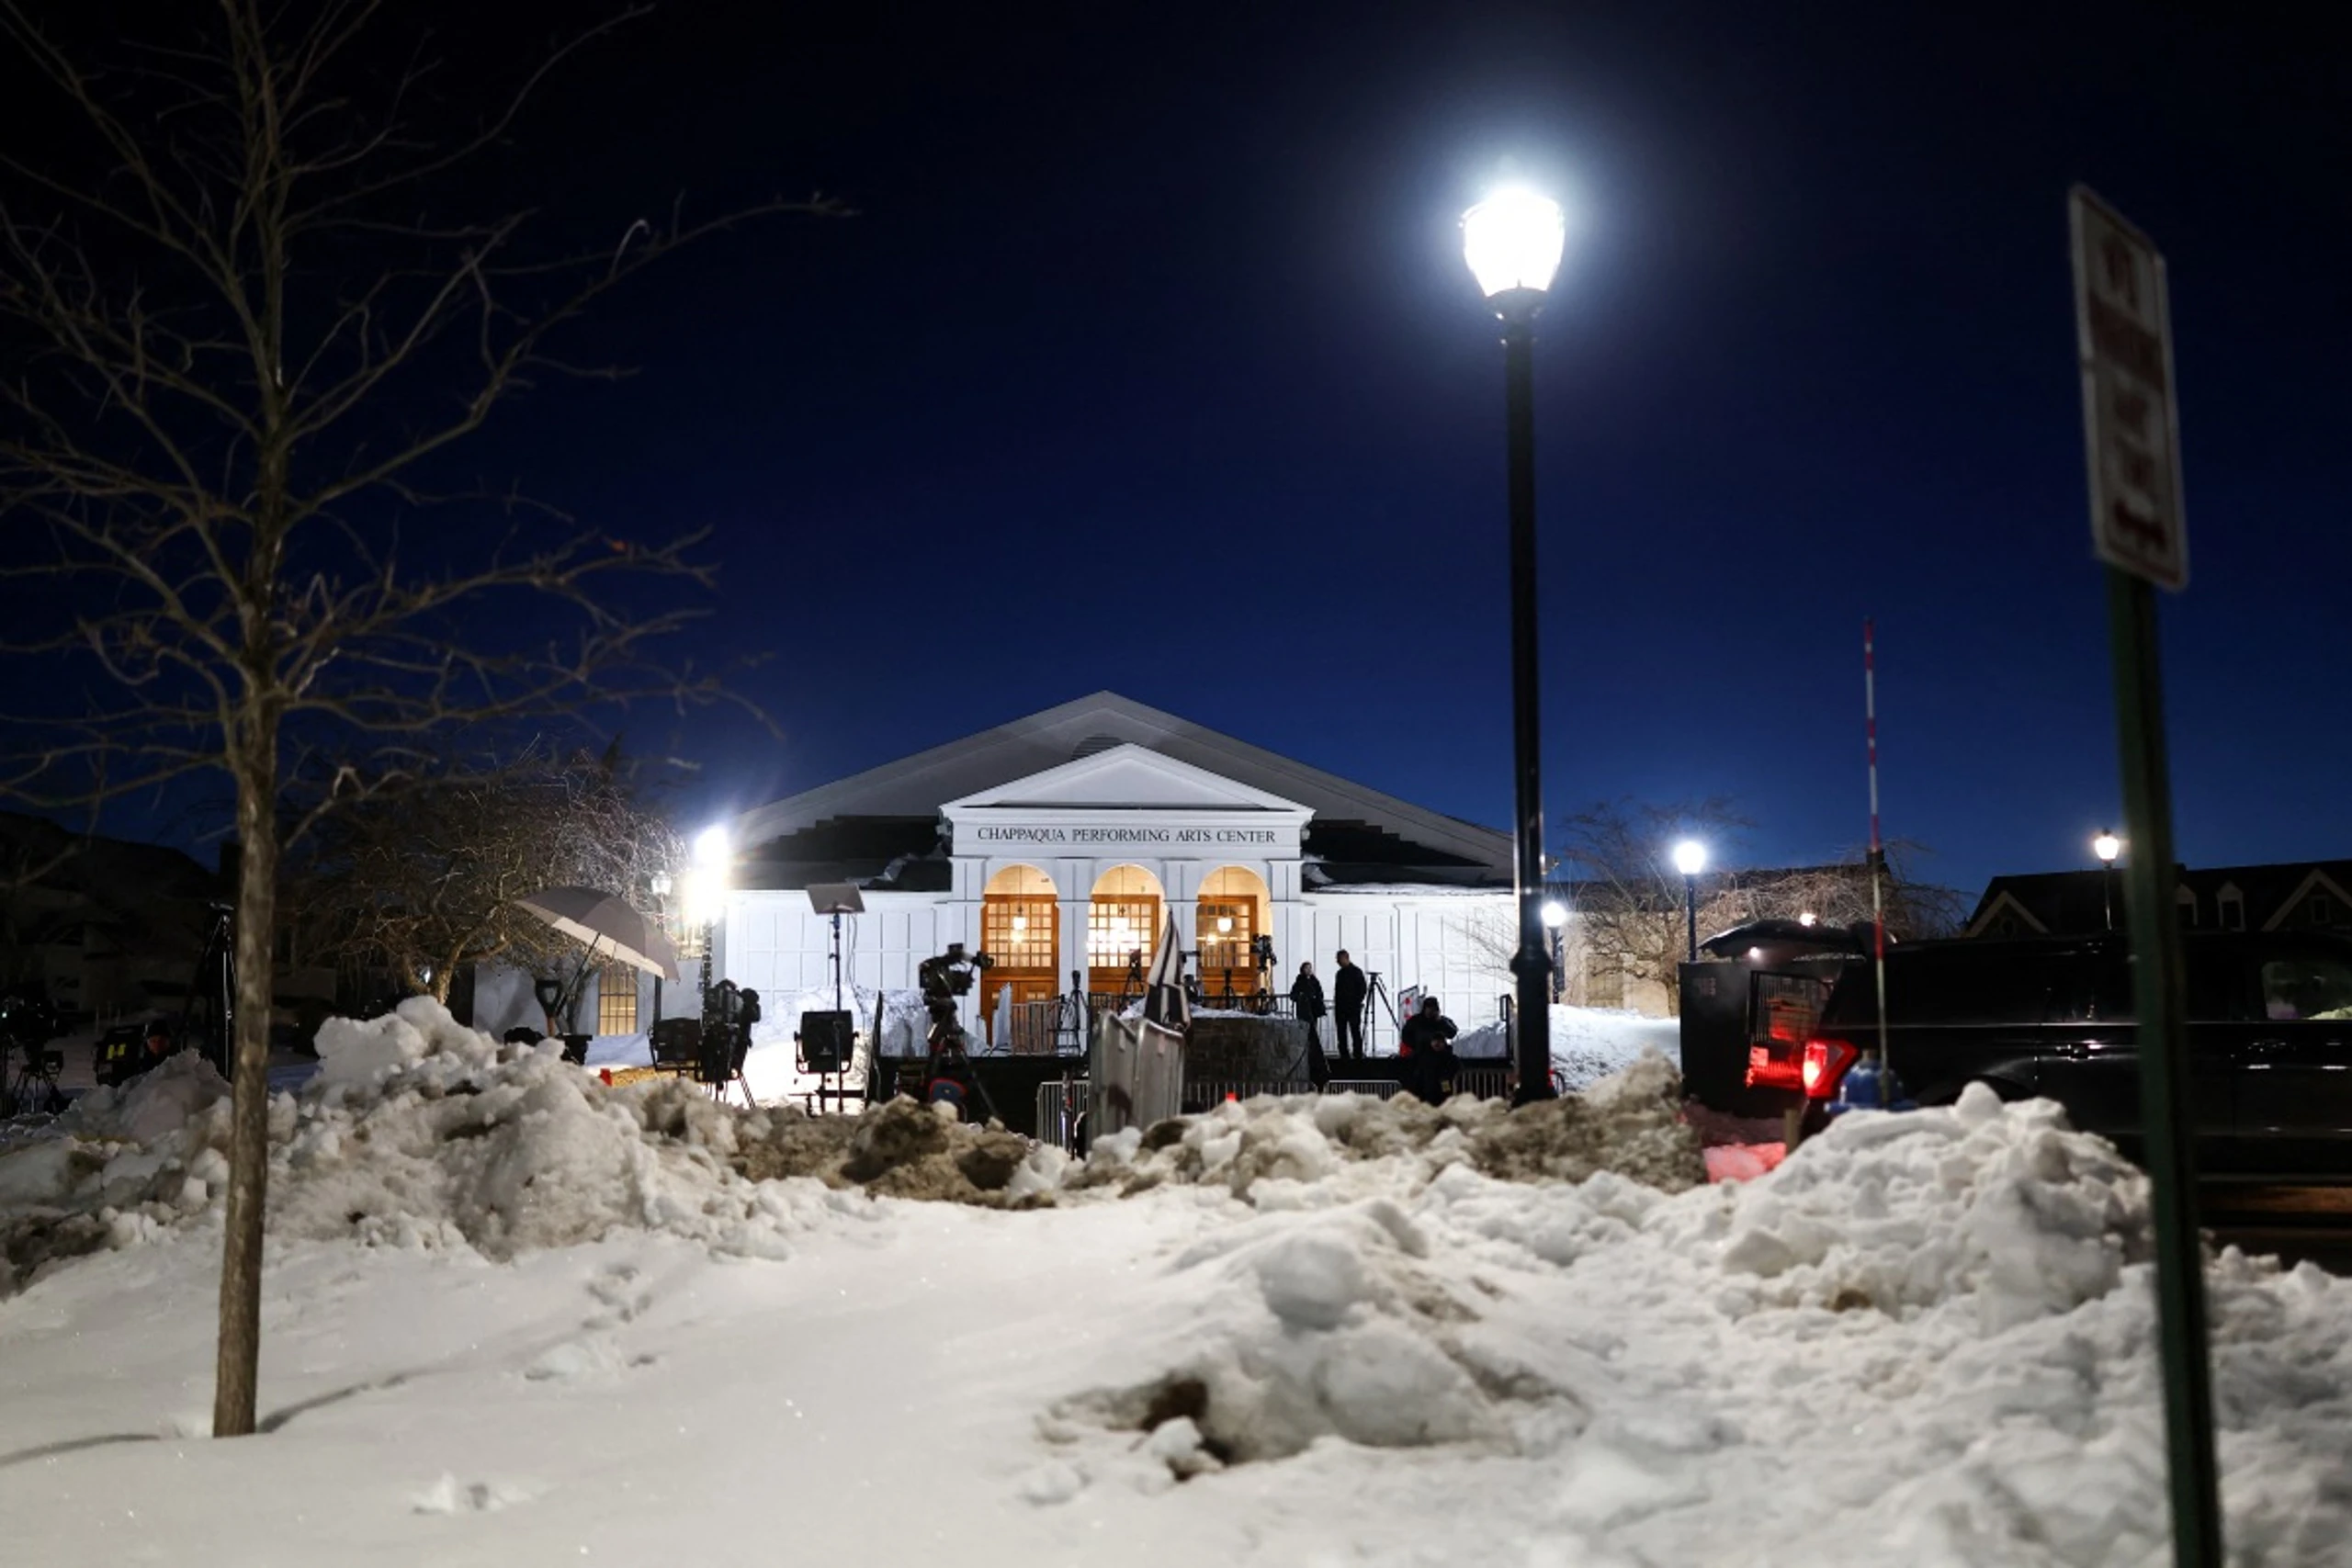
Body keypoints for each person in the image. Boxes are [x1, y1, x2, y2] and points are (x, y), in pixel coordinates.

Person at [1397, 995, 1459, 1106]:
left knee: (1443, 1093)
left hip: (1441, 1064)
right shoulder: (1416, 1021)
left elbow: (1453, 1032)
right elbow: (1405, 1036)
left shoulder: (1442, 1021)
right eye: (1429, 1009)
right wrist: (1417, 1046)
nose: (1431, 1012)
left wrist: (1441, 1021)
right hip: (1422, 1061)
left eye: (1434, 1009)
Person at [1290, 961, 1329, 1088]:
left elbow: (1319, 994)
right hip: (1304, 1012)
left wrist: (1316, 1001)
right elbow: (1293, 995)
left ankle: (1313, 1049)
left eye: (1310, 968)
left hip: (1313, 1011)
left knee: (1313, 1031)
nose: (1308, 970)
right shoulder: (1299, 982)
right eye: (1306, 968)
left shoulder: (1315, 982)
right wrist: (1301, 997)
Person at [1331, 950, 1368, 1062]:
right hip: (1341, 1008)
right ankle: (1344, 1054)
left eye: (1339, 959)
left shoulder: (1357, 972)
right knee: (1341, 1032)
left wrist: (1357, 1002)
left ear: (1345, 958)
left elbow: (1362, 989)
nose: (1337, 961)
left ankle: (1358, 1053)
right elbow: (1337, 991)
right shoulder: (1339, 974)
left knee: (1355, 1030)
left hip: (1353, 1007)